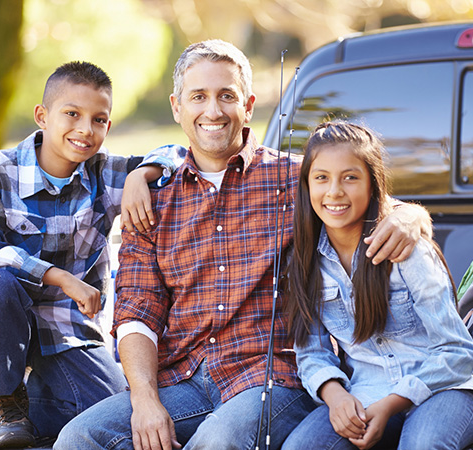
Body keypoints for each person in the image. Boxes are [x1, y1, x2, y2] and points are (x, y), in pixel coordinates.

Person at [54, 40, 431, 450]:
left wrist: (411, 217)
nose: (212, 111)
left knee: (216, 442)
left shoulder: (297, 179)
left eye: (226, 96)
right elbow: (136, 311)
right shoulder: (152, 201)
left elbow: (379, 207)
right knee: (80, 437)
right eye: (198, 97)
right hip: (184, 379)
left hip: (274, 377)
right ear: (177, 107)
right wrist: (144, 400)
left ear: (248, 105)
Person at [0, 61, 184, 448]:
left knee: (117, 422)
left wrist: (140, 175)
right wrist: (59, 276)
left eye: (98, 120)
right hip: (4, 326)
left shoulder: (107, 173)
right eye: (72, 114)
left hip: (71, 333)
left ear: (108, 127)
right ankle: (5, 404)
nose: (84, 129)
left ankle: (36, 410)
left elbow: (179, 156)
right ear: (43, 116)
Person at [281, 121, 473, 450]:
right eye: (321, 178)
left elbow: (457, 353)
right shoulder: (306, 260)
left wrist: (391, 404)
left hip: (448, 388)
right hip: (368, 389)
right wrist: (335, 395)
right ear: (307, 185)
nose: (334, 191)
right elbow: (312, 354)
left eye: (350, 177)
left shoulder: (405, 248)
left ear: (372, 184)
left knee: (421, 445)